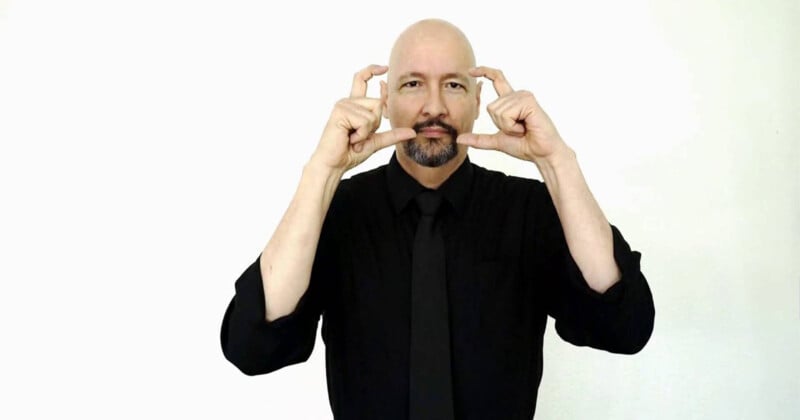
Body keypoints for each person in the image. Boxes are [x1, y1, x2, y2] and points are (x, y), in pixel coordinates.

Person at [220, 18, 655, 420]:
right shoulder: (335, 210)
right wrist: (323, 171)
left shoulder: (529, 209)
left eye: (453, 85)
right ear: (385, 101)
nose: (434, 106)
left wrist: (558, 162)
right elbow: (252, 347)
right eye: (412, 84)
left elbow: (624, 326)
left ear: (478, 100)